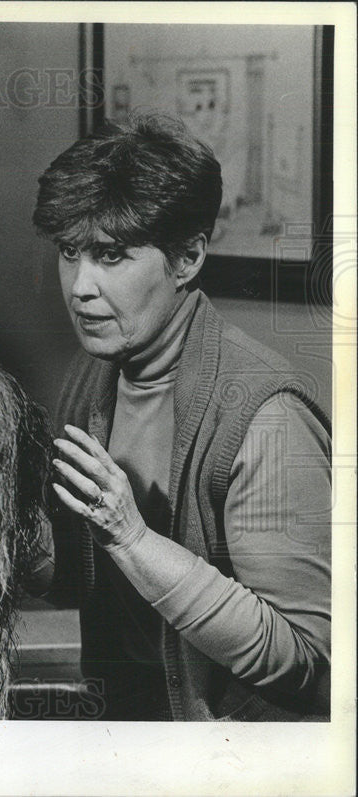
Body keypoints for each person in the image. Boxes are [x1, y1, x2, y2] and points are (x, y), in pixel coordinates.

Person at [33, 115, 331, 721]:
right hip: (128, 722)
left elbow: (310, 664)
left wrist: (134, 538)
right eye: (70, 253)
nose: (80, 287)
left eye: (110, 255)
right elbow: (81, 584)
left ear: (188, 257)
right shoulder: (91, 376)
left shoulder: (265, 417)